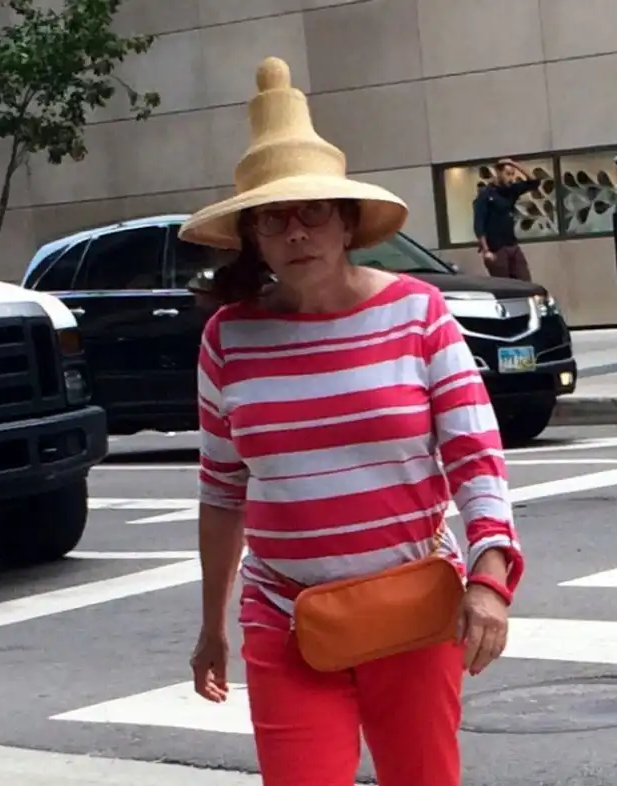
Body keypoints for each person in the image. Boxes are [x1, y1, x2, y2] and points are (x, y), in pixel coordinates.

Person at [184, 56, 525, 786]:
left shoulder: (418, 313)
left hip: (414, 608)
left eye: (312, 211)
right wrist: (212, 627)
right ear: (253, 236)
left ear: (345, 221)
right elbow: (221, 491)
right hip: (284, 615)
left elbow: (475, 455)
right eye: (274, 218)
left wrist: (490, 576)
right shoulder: (227, 339)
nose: (296, 231)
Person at [473, 158, 541, 281]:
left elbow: (534, 182)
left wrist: (514, 163)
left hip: (512, 244)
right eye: (507, 174)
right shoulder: (486, 195)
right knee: (505, 284)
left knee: (525, 281)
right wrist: (486, 250)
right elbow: (479, 224)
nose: (510, 178)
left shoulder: (511, 191)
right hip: (496, 248)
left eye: (512, 174)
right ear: (498, 173)